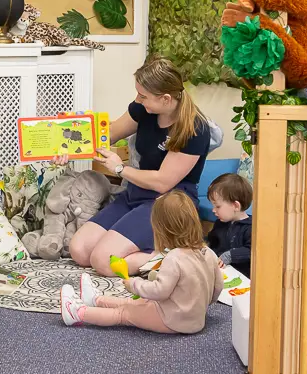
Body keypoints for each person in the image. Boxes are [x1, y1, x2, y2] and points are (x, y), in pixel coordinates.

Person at [59, 56, 212, 277]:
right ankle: (151, 249)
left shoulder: (195, 128)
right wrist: (65, 143)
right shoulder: (144, 109)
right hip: (136, 194)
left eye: (144, 96)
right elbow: (107, 135)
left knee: (103, 262)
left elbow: (163, 182)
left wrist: (119, 169)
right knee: (80, 251)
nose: (138, 100)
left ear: (166, 99)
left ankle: (181, 256)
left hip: (168, 203)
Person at [59, 190, 223, 334]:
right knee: (140, 303)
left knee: (124, 313)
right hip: (194, 320)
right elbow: (218, 287)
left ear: (162, 230)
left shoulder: (174, 258)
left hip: (172, 320)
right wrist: (198, 304)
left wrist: (134, 284)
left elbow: (159, 292)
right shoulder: (208, 253)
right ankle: (96, 300)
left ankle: (77, 313)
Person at [206, 173, 253, 276]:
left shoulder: (250, 228)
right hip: (221, 273)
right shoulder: (220, 223)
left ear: (236, 206)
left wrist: (231, 255)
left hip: (242, 279)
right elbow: (212, 241)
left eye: (218, 206)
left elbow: (252, 251)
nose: (213, 210)